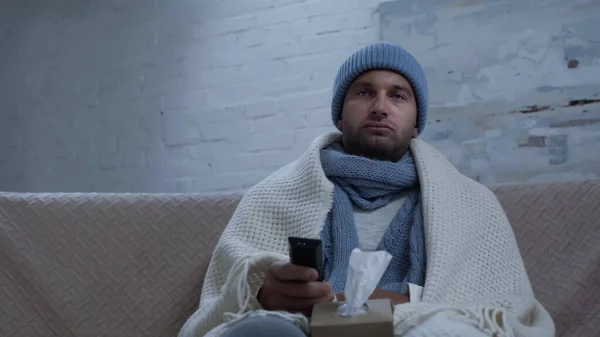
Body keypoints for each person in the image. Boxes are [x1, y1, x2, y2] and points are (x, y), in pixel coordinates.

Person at [178, 42, 555, 337]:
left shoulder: (472, 203)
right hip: (299, 327)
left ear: (416, 124)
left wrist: (403, 302)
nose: (379, 107)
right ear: (340, 115)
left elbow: (505, 306)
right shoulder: (273, 194)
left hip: (421, 324)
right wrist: (262, 292)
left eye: (398, 95)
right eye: (363, 92)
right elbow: (224, 297)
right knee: (259, 331)